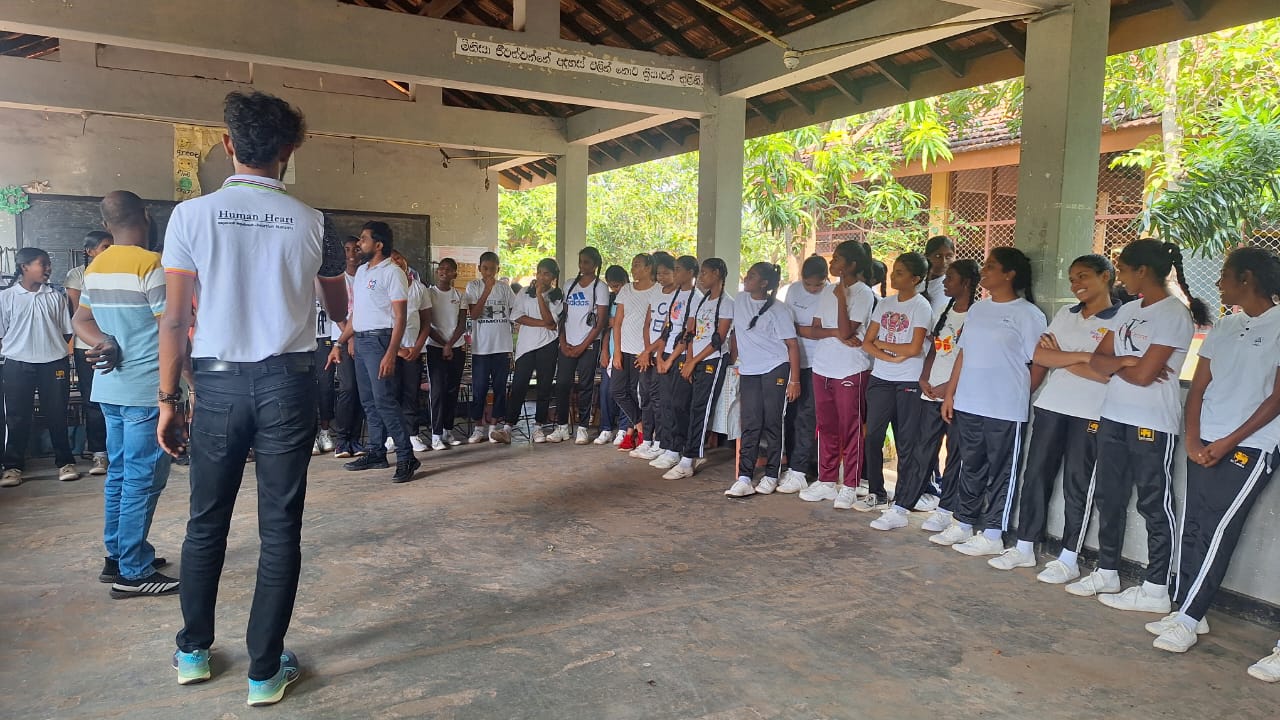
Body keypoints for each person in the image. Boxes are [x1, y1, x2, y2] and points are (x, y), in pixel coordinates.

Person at [158, 90, 348, 705]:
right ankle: (264, 672)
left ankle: (193, 653)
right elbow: (337, 306)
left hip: (215, 384)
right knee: (280, 527)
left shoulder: (190, 217)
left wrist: (168, 399)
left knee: (205, 522)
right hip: (287, 384)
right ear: (289, 150)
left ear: (227, 143)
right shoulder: (316, 222)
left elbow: (175, 318)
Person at [1150, 247, 1280, 654]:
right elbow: (1198, 386)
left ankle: (1188, 619)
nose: (1219, 284)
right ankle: (1188, 610)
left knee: (1219, 530)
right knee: (1194, 526)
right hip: (1206, 440)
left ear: (1247, 279)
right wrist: (1193, 438)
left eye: (1225, 275)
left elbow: (1276, 398)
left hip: (1251, 446)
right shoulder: (1225, 325)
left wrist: (1228, 442)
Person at [1066, 239, 1208, 609]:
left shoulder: (1173, 314)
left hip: (1151, 422)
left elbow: (1145, 377)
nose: (1121, 278)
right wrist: (1127, 363)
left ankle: (1156, 587)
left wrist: (1121, 365)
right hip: (1114, 415)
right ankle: (1107, 571)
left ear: (1142, 271)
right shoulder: (1129, 309)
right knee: (1108, 496)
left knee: (1152, 502)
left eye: (1125, 270)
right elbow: (1098, 361)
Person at [987, 255, 1120, 578]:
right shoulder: (1065, 313)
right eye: (1072, 279)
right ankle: (1025, 547)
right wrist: (1085, 357)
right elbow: (1040, 355)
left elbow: (1105, 373)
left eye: (1083, 276)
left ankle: (1069, 558)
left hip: (1090, 412)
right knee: (1035, 476)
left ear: (1105, 276)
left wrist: (1062, 357)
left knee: (1078, 484)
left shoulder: (1120, 318)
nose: (1076, 285)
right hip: (1052, 406)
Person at [73, 190, 176, 597]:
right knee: (142, 478)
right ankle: (133, 572)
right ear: (146, 215)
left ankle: (117, 555)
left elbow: (81, 321)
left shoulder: (96, 266)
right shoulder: (151, 265)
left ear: (106, 224)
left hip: (110, 388)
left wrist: (105, 343)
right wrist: (184, 387)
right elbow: (169, 330)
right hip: (145, 390)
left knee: (119, 474)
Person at [938, 247, 1046, 554]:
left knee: (1001, 472)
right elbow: (963, 353)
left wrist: (1019, 393)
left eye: (991, 266)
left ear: (1009, 274)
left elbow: (1039, 361)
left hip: (1004, 408)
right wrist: (951, 394)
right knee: (970, 465)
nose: (983, 271)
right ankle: (963, 522)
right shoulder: (978, 310)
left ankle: (993, 533)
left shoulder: (1028, 314)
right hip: (969, 402)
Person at [329, 221, 420, 483]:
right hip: (361, 341)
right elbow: (356, 315)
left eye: (363, 239)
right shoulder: (362, 272)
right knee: (369, 401)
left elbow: (400, 318)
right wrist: (339, 343)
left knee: (385, 401)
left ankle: (406, 456)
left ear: (378, 245)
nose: (359, 244)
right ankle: (376, 452)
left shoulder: (393, 273)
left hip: (380, 341)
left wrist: (391, 353)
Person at [799, 241, 877, 509]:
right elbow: (814, 330)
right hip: (823, 367)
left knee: (851, 429)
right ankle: (827, 480)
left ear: (852, 265)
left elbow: (847, 331)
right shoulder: (827, 290)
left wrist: (842, 299)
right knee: (826, 427)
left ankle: (851, 485)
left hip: (850, 369)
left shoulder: (863, 294)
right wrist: (834, 332)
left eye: (838, 259)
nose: (831, 263)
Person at [864, 252, 935, 525]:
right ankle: (876, 492)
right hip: (881, 378)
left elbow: (915, 348)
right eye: (894, 270)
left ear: (915, 279)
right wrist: (891, 355)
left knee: (906, 441)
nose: (894, 276)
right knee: (873, 436)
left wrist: (884, 346)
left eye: (901, 272)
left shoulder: (921, 306)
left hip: (908, 380)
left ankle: (903, 498)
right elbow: (867, 342)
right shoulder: (884, 303)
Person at [0, 247, 78, 486]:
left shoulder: (55, 296)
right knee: (17, 416)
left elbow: (66, 332)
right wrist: (23, 349)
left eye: (48, 264)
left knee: (57, 414)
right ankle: (13, 467)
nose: (48, 268)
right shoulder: (7, 297)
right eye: (42, 264)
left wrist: (49, 349)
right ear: (24, 267)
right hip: (17, 363)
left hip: (54, 363)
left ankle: (65, 463)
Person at [724, 262, 800, 497]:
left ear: (764, 283)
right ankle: (744, 477)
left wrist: (794, 380)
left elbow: (792, 345)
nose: (746, 278)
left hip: (774, 368)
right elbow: (733, 332)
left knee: (772, 422)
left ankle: (771, 475)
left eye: (753, 276)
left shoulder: (779, 310)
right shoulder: (739, 300)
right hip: (749, 371)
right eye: (748, 274)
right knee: (750, 422)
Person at [915, 260, 980, 534]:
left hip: (957, 394)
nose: (944, 282)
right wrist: (924, 378)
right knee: (924, 449)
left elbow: (970, 358)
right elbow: (934, 350)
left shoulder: (977, 314)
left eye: (950, 278)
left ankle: (946, 509)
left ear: (966, 282)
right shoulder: (945, 310)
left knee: (954, 454)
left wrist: (949, 388)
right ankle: (910, 500)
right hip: (932, 392)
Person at [663, 258, 734, 480]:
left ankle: (689, 458)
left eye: (704, 273)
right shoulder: (702, 301)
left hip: (713, 360)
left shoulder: (726, 303)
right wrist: (689, 360)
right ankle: (682, 448)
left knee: (699, 409)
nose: (701, 277)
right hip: (694, 360)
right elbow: (691, 333)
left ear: (717, 273)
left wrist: (694, 362)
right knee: (680, 402)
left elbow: (718, 339)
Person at [777, 255, 829, 494]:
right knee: (791, 414)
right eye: (809, 284)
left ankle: (801, 469)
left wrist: (800, 330)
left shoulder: (831, 294)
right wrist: (802, 331)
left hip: (819, 363)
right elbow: (787, 324)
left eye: (818, 284)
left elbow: (821, 331)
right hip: (794, 360)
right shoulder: (793, 291)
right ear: (801, 278)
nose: (813, 289)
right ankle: (792, 463)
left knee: (808, 417)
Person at [63, 230, 113, 475]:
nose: (110, 251)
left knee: (118, 401)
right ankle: (99, 453)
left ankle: (118, 451)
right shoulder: (78, 275)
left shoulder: (118, 271)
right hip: (88, 347)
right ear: (89, 251)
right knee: (93, 402)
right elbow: (77, 316)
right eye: (105, 247)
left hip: (119, 345)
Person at [550, 247, 609, 445]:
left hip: (589, 344)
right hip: (568, 343)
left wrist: (583, 345)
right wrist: (563, 341)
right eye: (581, 261)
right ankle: (562, 427)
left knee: (585, 385)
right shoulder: (569, 284)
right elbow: (563, 315)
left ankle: (583, 427)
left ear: (595, 264)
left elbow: (601, 321)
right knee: (562, 384)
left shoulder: (600, 287)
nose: (582, 266)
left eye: (587, 262)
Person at [647, 255, 702, 469]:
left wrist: (670, 359)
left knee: (679, 404)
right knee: (665, 403)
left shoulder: (696, 298)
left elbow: (688, 333)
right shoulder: (676, 295)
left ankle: (677, 448)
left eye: (678, 269)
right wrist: (660, 355)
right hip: (667, 352)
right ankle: (668, 446)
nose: (675, 272)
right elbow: (667, 327)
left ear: (690, 273)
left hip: (680, 355)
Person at [631, 252, 681, 462]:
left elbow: (668, 331)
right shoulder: (656, 293)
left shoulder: (679, 297)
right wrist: (646, 351)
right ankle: (647, 439)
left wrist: (651, 351)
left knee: (660, 399)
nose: (661, 277)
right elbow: (647, 324)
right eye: (658, 273)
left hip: (664, 353)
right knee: (646, 397)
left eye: (665, 273)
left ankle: (660, 441)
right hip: (649, 353)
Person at [506, 258, 563, 442]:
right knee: (519, 385)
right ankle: (508, 426)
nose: (541, 277)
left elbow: (551, 321)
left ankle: (538, 427)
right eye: (539, 272)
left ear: (553, 277)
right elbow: (517, 316)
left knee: (544, 387)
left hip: (547, 344)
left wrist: (539, 296)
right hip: (526, 346)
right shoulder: (524, 292)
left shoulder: (557, 296)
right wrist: (543, 324)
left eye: (546, 274)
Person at [464, 251, 515, 444]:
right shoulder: (473, 286)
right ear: (479, 268)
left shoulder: (504, 288)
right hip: (481, 348)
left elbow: (515, 310)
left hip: (502, 346)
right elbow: (474, 314)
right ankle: (478, 427)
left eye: (492, 269)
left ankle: (494, 427)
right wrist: (487, 290)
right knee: (479, 389)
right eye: (485, 268)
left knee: (500, 388)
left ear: (498, 269)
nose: (489, 272)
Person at [611, 253, 659, 451]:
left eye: (637, 265)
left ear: (648, 268)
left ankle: (640, 435)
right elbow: (617, 322)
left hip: (643, 352)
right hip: (624, 349)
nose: (633, 269)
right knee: (617, 390)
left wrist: (648, 351)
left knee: (638, 393)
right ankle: (640, 426)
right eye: (632, 265)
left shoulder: (657, 290)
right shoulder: (626, 289)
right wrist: (617, 351)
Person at [388, 251, 431, 453]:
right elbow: (382, 322)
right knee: (392, 393)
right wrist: (397, 350)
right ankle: (392, 436)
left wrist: (417, 347)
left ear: (405, 260)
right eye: (391, 260)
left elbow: (426, 322)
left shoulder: (419, 289)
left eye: (399, 258)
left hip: (413, 351)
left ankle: (412, 435)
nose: (396, 262)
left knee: (411, 393)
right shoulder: (385, 288)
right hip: (391, 351)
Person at [425, 258, 467, 450]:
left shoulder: (459, 295)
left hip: (456, 347)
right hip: (435, 347)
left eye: (448, 269)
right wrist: (444, 345)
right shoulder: (429, 293)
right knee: (438, 391)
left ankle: (448, 431)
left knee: (452, 390)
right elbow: (427, 324)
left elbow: (462, 323)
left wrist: (450, 345)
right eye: (441, 269)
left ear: (454, 274)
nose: (444, 272)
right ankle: (436, 435)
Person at [330, 237, 365, 458]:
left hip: (364, 339)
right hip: (342, 342)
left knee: (362, 390)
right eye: (347, 249)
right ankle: (342, 441)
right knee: (348, 388)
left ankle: (356, 440)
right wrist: (348, 339)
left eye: (357, 249)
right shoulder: (337, 279)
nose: (352, 254)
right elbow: (337, 312)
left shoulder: (365, 276)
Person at [595, 264, 632, 445]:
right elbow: (606, 327)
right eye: (612, 286)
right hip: (611, 350)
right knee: (606, 390)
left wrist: (615, 321)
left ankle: (624, 428)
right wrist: (604, 350)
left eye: (618, 285)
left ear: (626, 280)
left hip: (628, 350)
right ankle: (606, 428)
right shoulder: (612, 299)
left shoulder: (633, 296)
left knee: (624, 391)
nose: (616, 289)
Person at [922, 235, 956, 316]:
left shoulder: (953, 287)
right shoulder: (915, 283)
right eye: (938, 256)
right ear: (926, 257)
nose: (943, 262)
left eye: (949, 256)